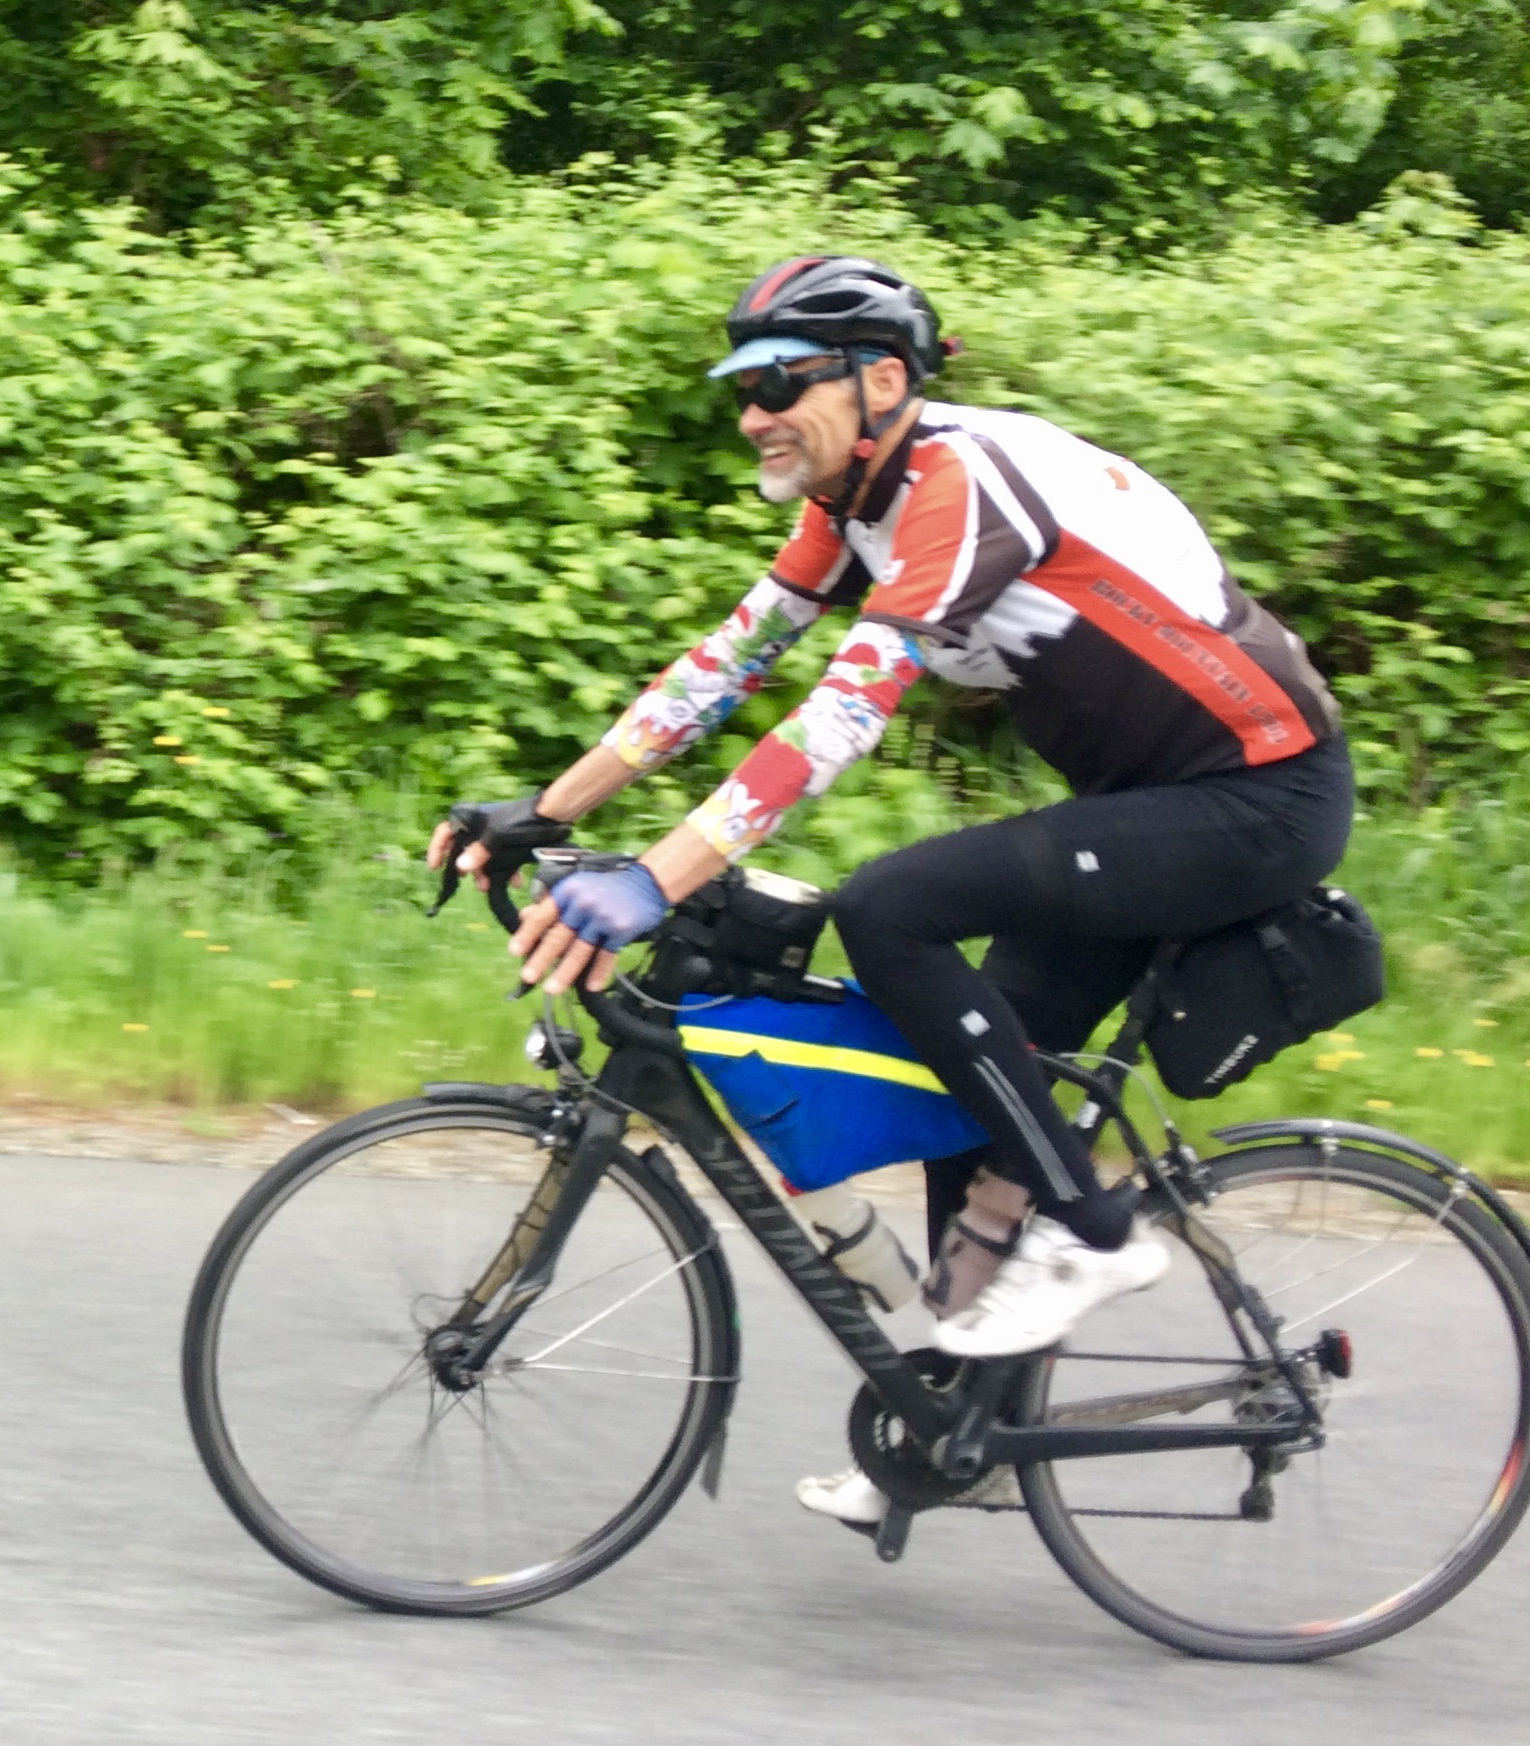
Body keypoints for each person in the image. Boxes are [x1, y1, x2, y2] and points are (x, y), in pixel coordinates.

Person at [428, 255, 1353, 1529]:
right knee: (971, 1061)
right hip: (1143, 805)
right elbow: (724, 667)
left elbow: (845, 709)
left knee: (888, 909)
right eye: (741, 390)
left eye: (779, 384)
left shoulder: (959, 483)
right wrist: (549, 810)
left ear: (880, 381)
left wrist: (659, 874)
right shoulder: (854, 499)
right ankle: (957, 1426)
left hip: (1258, 796)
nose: (753, 415)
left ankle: (1094, 1234)